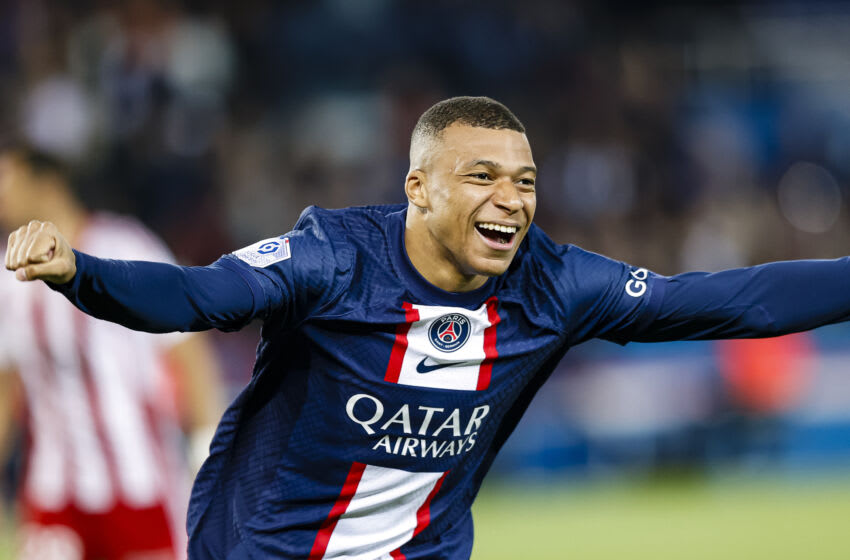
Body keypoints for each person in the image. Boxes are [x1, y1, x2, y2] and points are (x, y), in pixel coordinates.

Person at [5, 96, 850, 559]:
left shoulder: (554, 284)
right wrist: (80, 274)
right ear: (418, 187)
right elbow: (194, 297)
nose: (510, 199)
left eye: (523, 180)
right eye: (480, 175)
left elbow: (731, 300)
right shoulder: (330, 260)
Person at [0, 145, 225, 560]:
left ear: (46, 182)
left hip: (138, 484)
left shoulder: (125, 244)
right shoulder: (8, 274)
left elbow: (187, 347)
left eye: (7, 179)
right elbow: (7, 385)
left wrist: (204, 439)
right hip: (53, 493)